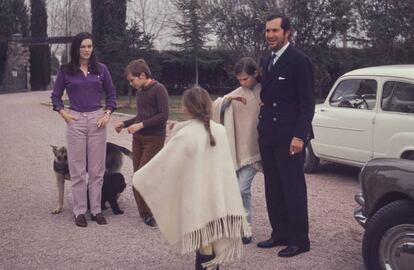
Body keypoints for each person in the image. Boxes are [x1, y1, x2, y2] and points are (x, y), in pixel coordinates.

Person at [133, 86, 251, 270]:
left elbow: (165, 164)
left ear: (186, 108)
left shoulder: (185, 135)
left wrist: (141, 177)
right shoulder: (219, 130)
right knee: (210, 243)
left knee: (203, 247)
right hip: (217, 199)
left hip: (196, 200)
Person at [256, 14, 315, 257]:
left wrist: (299, 136)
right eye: (267, 31)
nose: (270, 35)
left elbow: (307, 103)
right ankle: (279, 233)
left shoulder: (299, 61)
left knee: (293, 189)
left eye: (275, 31)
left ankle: (300, 240)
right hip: (269, 135)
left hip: (290, 137)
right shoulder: (267, 60)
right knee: (273, 187)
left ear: (287, 32)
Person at [51, 32, 117, 227]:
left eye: (89, 46)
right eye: (83, 46)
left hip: (98, 121)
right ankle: (79, 211)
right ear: (76, 49)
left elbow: (112, 94)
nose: (87, 50)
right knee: (78, 170)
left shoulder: (101, 69)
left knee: (96, 170)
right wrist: (63, 113)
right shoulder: (66, 71)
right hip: (75, 121)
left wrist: (108, 114)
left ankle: (96, 210)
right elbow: (55, 96)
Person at [211, 57, 262, 245]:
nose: (242, 83)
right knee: (236, 190)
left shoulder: (265, 90)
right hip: (237, 150)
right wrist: (229, 98)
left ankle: (245, 227)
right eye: (239, 80)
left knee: (242, 188)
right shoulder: (237, 93)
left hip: (255, 149)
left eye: (245, 79)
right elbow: (215, 108)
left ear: (255, 74)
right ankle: (239, 227)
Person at [114, 59, 169, 227]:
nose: (131, 84)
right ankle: (145, 213)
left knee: (144, 176)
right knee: (138, 177)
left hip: (154, 139)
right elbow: (141, 116)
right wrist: (125, 124)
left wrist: (140, 125)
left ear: (143, 75)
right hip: (138, 139)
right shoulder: (140, 92)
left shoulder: (159, 89)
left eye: (132, 80)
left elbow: (163, 115)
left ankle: (154, 211)